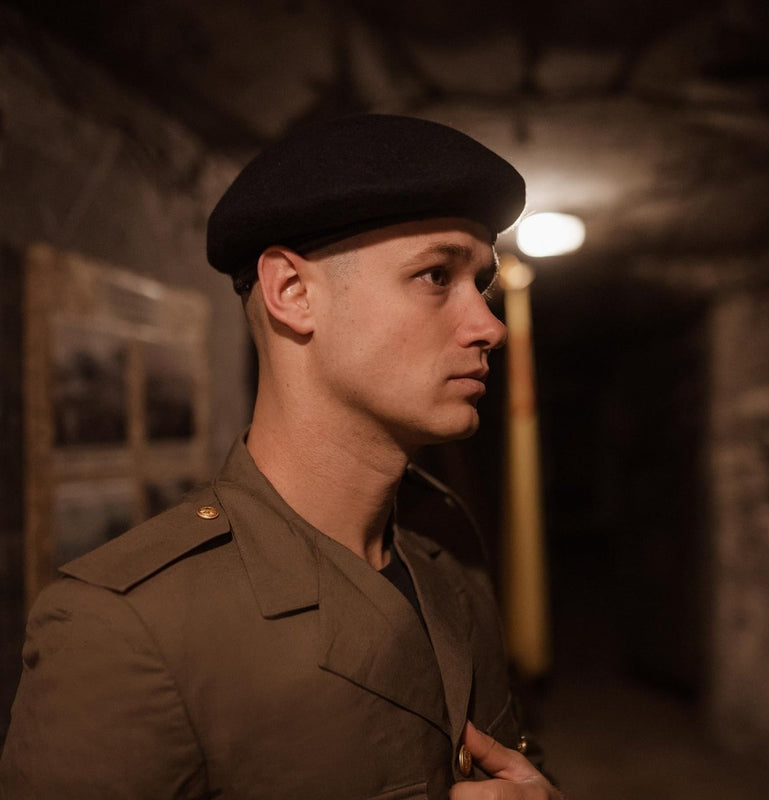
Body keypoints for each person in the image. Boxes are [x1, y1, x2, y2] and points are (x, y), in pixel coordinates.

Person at [1, 114, 560, 799]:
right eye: (437, 275)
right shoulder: (124, 628)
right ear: (292, 294)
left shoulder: (447, 553)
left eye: (485, 285)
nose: (489, 326)